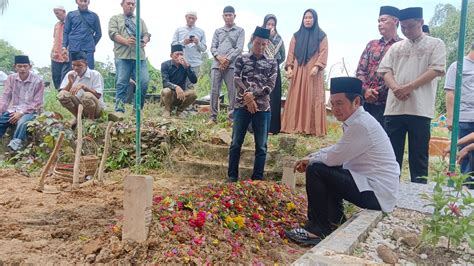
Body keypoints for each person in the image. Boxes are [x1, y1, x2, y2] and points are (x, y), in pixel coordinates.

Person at [285, 77, 399, 245]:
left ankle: (317, 229)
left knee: (317, 169)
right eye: (332, 103)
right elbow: (338, 150)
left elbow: (333, 158)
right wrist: (310, 157)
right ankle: (334, 220)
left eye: (339, 103)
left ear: (357, 101)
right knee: (323, 167)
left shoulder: (361, 125)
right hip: (373, 187)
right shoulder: (356, 122)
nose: (335, 109)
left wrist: (310, 161)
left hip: (377, 192)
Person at [378, 7, 446, 184]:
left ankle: (418, 197)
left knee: (419, 157)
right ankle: (390, 192)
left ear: (421, 23)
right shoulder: (396, 47)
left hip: (420, 110)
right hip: (394, 109)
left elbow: (436, 69)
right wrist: (395, 88)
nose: (407, 31)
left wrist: (408, 87)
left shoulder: (435, 44)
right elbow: (385, 70)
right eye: (403, 27)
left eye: (411, 26)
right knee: (391, 156)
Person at [227, 26, 277, 182]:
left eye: (264, 44)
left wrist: (252, 96)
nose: (260, 47)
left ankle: (257, 179)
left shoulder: (272, 62)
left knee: (261, 146)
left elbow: (270, 85)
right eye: (258, 43)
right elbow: (236, 79)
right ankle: (232, 177)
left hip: (263, 108)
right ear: (252, 41)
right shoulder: (242, 59)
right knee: (236, 143)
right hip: (241, 106)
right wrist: (247, 97)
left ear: (267, 44)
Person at [281, 9, 328, 136]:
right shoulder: (296, 36)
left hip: (313, 71)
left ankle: (312, 129)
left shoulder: (321, 35)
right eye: (305, 17)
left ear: (315, 19)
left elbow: (323, 52)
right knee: (296, 96)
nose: (307, 20)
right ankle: (293, 126)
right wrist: (290, 68)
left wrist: (317, 67)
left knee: (313, 96)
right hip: (298, 70)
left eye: (310, 17)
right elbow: (291, 53)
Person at [356, 6, 401, 126]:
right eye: (378, 21)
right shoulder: (372, 45)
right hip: (366, 102)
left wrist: (377, 93)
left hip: (389, 105)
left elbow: (399, 75)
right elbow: (360, 71)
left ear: (395, 21)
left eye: (383, 20)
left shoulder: (402, 46)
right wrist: (366, 91)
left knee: (384, 141)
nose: (380, 24)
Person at [109, 0, 151, 112]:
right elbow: (113, 34)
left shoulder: (140, 21)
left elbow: (147, 34)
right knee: (122, 83)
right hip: (123, 56)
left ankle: (137, 109)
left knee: (143, 82)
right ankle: (119, 110)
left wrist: (144, 41)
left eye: (133, 4)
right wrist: (126, 41)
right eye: (128, 3)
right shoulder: (115, 19)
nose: (131, 6)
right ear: (122, 4)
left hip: (139, 57)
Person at [247, 14, 285, 134]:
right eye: (268, 24)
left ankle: (271, 128)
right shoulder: (256, 35)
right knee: (257, 95)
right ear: (264, 24)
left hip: (273, 71)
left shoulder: (278, 39)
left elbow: (283, 56)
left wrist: (272, 61)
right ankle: (253, 127)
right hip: (258, 68)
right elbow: (250, 46)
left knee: (272, 98)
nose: (270, 26)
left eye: (273, 25)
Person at [444, 42, 474, 188]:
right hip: (464, 118)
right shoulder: (458, 66)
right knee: (467, 159)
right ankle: (466, 191)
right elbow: (450, 92)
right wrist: (451, 117)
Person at [208, 6, 245, 124]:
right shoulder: (218, 31)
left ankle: (232, 118)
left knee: (232, 91)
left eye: (230, 15)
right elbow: (213, 47)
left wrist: (227, 60)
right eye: (226, 15)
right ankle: (213, 117)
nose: (228, 17)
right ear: (223, 16)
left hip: (231, 66)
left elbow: (239, 48)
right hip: (216, 65)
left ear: (234, 16)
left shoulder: (240, 30)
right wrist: (219, 58)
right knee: (214, 91)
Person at [0, 55, 45, 151]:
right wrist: (1, 110)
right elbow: (6, 97)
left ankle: (15, 145)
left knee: (22, 122)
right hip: (14, 109)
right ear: (15, 67)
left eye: (25, 66)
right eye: (19, 66)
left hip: (31, 111)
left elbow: (37, 103)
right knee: (1, 120)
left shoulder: (38, 80)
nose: (22, 69)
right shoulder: (11, 79)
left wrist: (21, 113)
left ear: (30, 67)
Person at [58, 51, 105, 127]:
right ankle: (77, 117)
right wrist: (70, 83)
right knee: (63, 95)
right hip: (79, 108)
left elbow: (98, 95)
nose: (76, 68)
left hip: (96, 109)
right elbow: (61, 93)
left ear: (86, 64)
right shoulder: (70, 74)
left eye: (79, 65)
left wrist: (84, 87)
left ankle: (91, 119)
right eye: (73, 65)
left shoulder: (95, 74)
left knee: (86, 96)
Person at [171, 11, 207, 89]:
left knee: (191, 87)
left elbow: (204, 48)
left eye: (193, 18)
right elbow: (173, 45)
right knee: (179, 85)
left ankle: (189, 101)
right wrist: (183, 42)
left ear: (196, 19)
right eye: (189, 18)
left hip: (195, 63)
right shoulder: (179, 30)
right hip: (180, 62)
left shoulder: (201, 31)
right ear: (185, 17)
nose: (191, 20)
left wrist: (198, 42)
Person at [160, 45, 198, 118]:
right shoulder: (165, 65)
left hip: (180, 95)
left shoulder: (185, 65)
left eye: (181, 54)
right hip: (169, 95)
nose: (179, 56)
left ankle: (179, 111)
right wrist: (176, 87)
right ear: (171, 55)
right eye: (177, 54)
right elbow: (165, 82)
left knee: (193, 94)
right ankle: (167, 110)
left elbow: (194, 80)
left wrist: (187, 67)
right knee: (166, 90)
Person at [62, 0, 102, 70]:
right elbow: (66, 32)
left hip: (88, 50)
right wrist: (64, 47)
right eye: (81, 1)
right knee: (74, 72)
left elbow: (99, 33)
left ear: (88, 2)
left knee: (89, 71)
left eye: (85, 1)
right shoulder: (71, 15)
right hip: (74, 48)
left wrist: (91, 43)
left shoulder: (94, 16)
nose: (83, 3)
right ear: (77, 1)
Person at [51, 5, 70, 90]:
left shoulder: (71, 23)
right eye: (55, 14)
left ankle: (65, 95)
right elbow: (55, 39)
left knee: (65, 77)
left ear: (64, 12)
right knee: (56, 76)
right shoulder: (57, 25)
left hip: (67, 55)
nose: (57, 16)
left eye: (58, 13)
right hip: (55, 54)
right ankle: (59, 95)